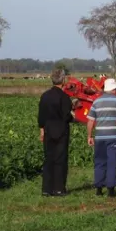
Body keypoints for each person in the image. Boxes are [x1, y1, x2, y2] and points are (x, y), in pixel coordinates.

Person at [37, 66, 74, 197]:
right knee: (60, 159)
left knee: (48, 159)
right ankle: (59, 189)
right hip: (61, 130)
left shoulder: (45, 96)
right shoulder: (64, 97)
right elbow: (66, 116)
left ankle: (46, 189)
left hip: (48, 130)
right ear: (63, 80)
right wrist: (73, 117)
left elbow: (41, 116)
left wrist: (42, 130)